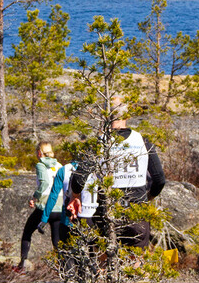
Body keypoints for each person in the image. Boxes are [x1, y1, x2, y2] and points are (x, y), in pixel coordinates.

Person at [65, 105, 166, 247]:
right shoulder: (142, 141)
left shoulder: (100, 142)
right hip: (136, 210)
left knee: (103, 253)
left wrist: (75, 196)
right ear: (127, 116)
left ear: (106, 116)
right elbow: (160, 179)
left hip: (107, 210)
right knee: (136, 257)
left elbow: (79, 177)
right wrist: (148, 198)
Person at [16, 142, 65, 272]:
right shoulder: (60, 165)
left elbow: (44, 183)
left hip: (45, 206)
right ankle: (64, 269)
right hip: (59, 206)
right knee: (56, 240)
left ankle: (22, 265)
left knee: (27, 232)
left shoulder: (40, 165)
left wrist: (35, 197)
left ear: (39, 153)